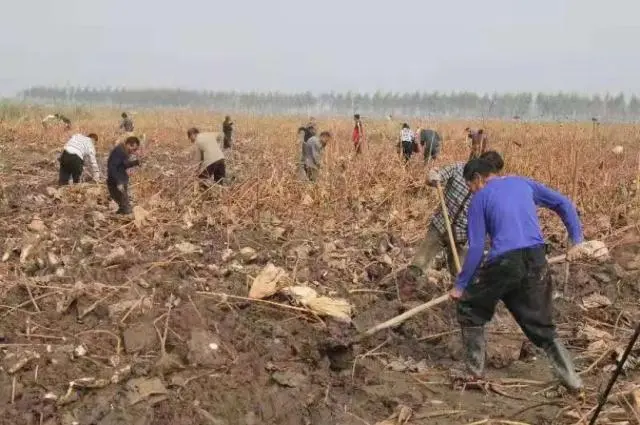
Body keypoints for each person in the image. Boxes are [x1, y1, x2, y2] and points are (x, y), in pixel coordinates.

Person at [451, 157, 591, 392]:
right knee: (541, 326)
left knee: (470, 308)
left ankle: (474, 374)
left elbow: (476, 248)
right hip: (536, 260)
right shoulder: (523, 183)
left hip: (504, 262)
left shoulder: (479, 199)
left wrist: (461, 285)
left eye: (469, 185)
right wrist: (577, 241)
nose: (470, 191)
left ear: (478, 179)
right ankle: (573, 381)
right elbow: (564, 203)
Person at [399, 151, 505, 299]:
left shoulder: (492, 190)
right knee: (419, 263)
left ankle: (458, 304)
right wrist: (433, 177)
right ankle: (403, 298)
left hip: (461, 237)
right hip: (440, 226)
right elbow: (433, 178)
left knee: (460, 273)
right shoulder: (457, 169)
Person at [107, 136, 141, 214]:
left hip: (120, 178)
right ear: (129, 144)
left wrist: (136, 162)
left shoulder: (123, 151)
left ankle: (126, 213)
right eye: (134, 149)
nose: (133, 152)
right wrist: (118, 182)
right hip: (117, 179)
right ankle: (125, 212)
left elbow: (123, 165)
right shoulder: (120, 151)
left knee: (122, 199)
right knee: (120, 197)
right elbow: (112, 167)